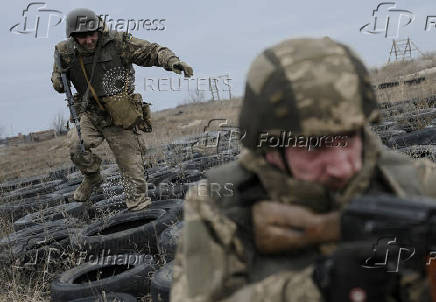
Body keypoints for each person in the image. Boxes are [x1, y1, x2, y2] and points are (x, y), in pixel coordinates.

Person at [170, 37, 436, 301]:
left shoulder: (417, 181)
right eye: (314, 145)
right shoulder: (219, 206)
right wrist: (314, 288)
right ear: (269, 147)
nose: (342, 167)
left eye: (351, 136)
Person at [51, 8, 193, 211]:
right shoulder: (64, 52)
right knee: (76, 146)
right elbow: (57, 79)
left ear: (99, 29)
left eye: (92, 34)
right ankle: (93, 177)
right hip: (89, 113)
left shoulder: (117, 42)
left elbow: (152, 51)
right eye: (83, 37)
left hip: (120, 113)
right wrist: (57, 80)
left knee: (130, 167)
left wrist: (172, 62)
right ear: (73, 36)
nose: (89, 40)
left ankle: (138, 208)